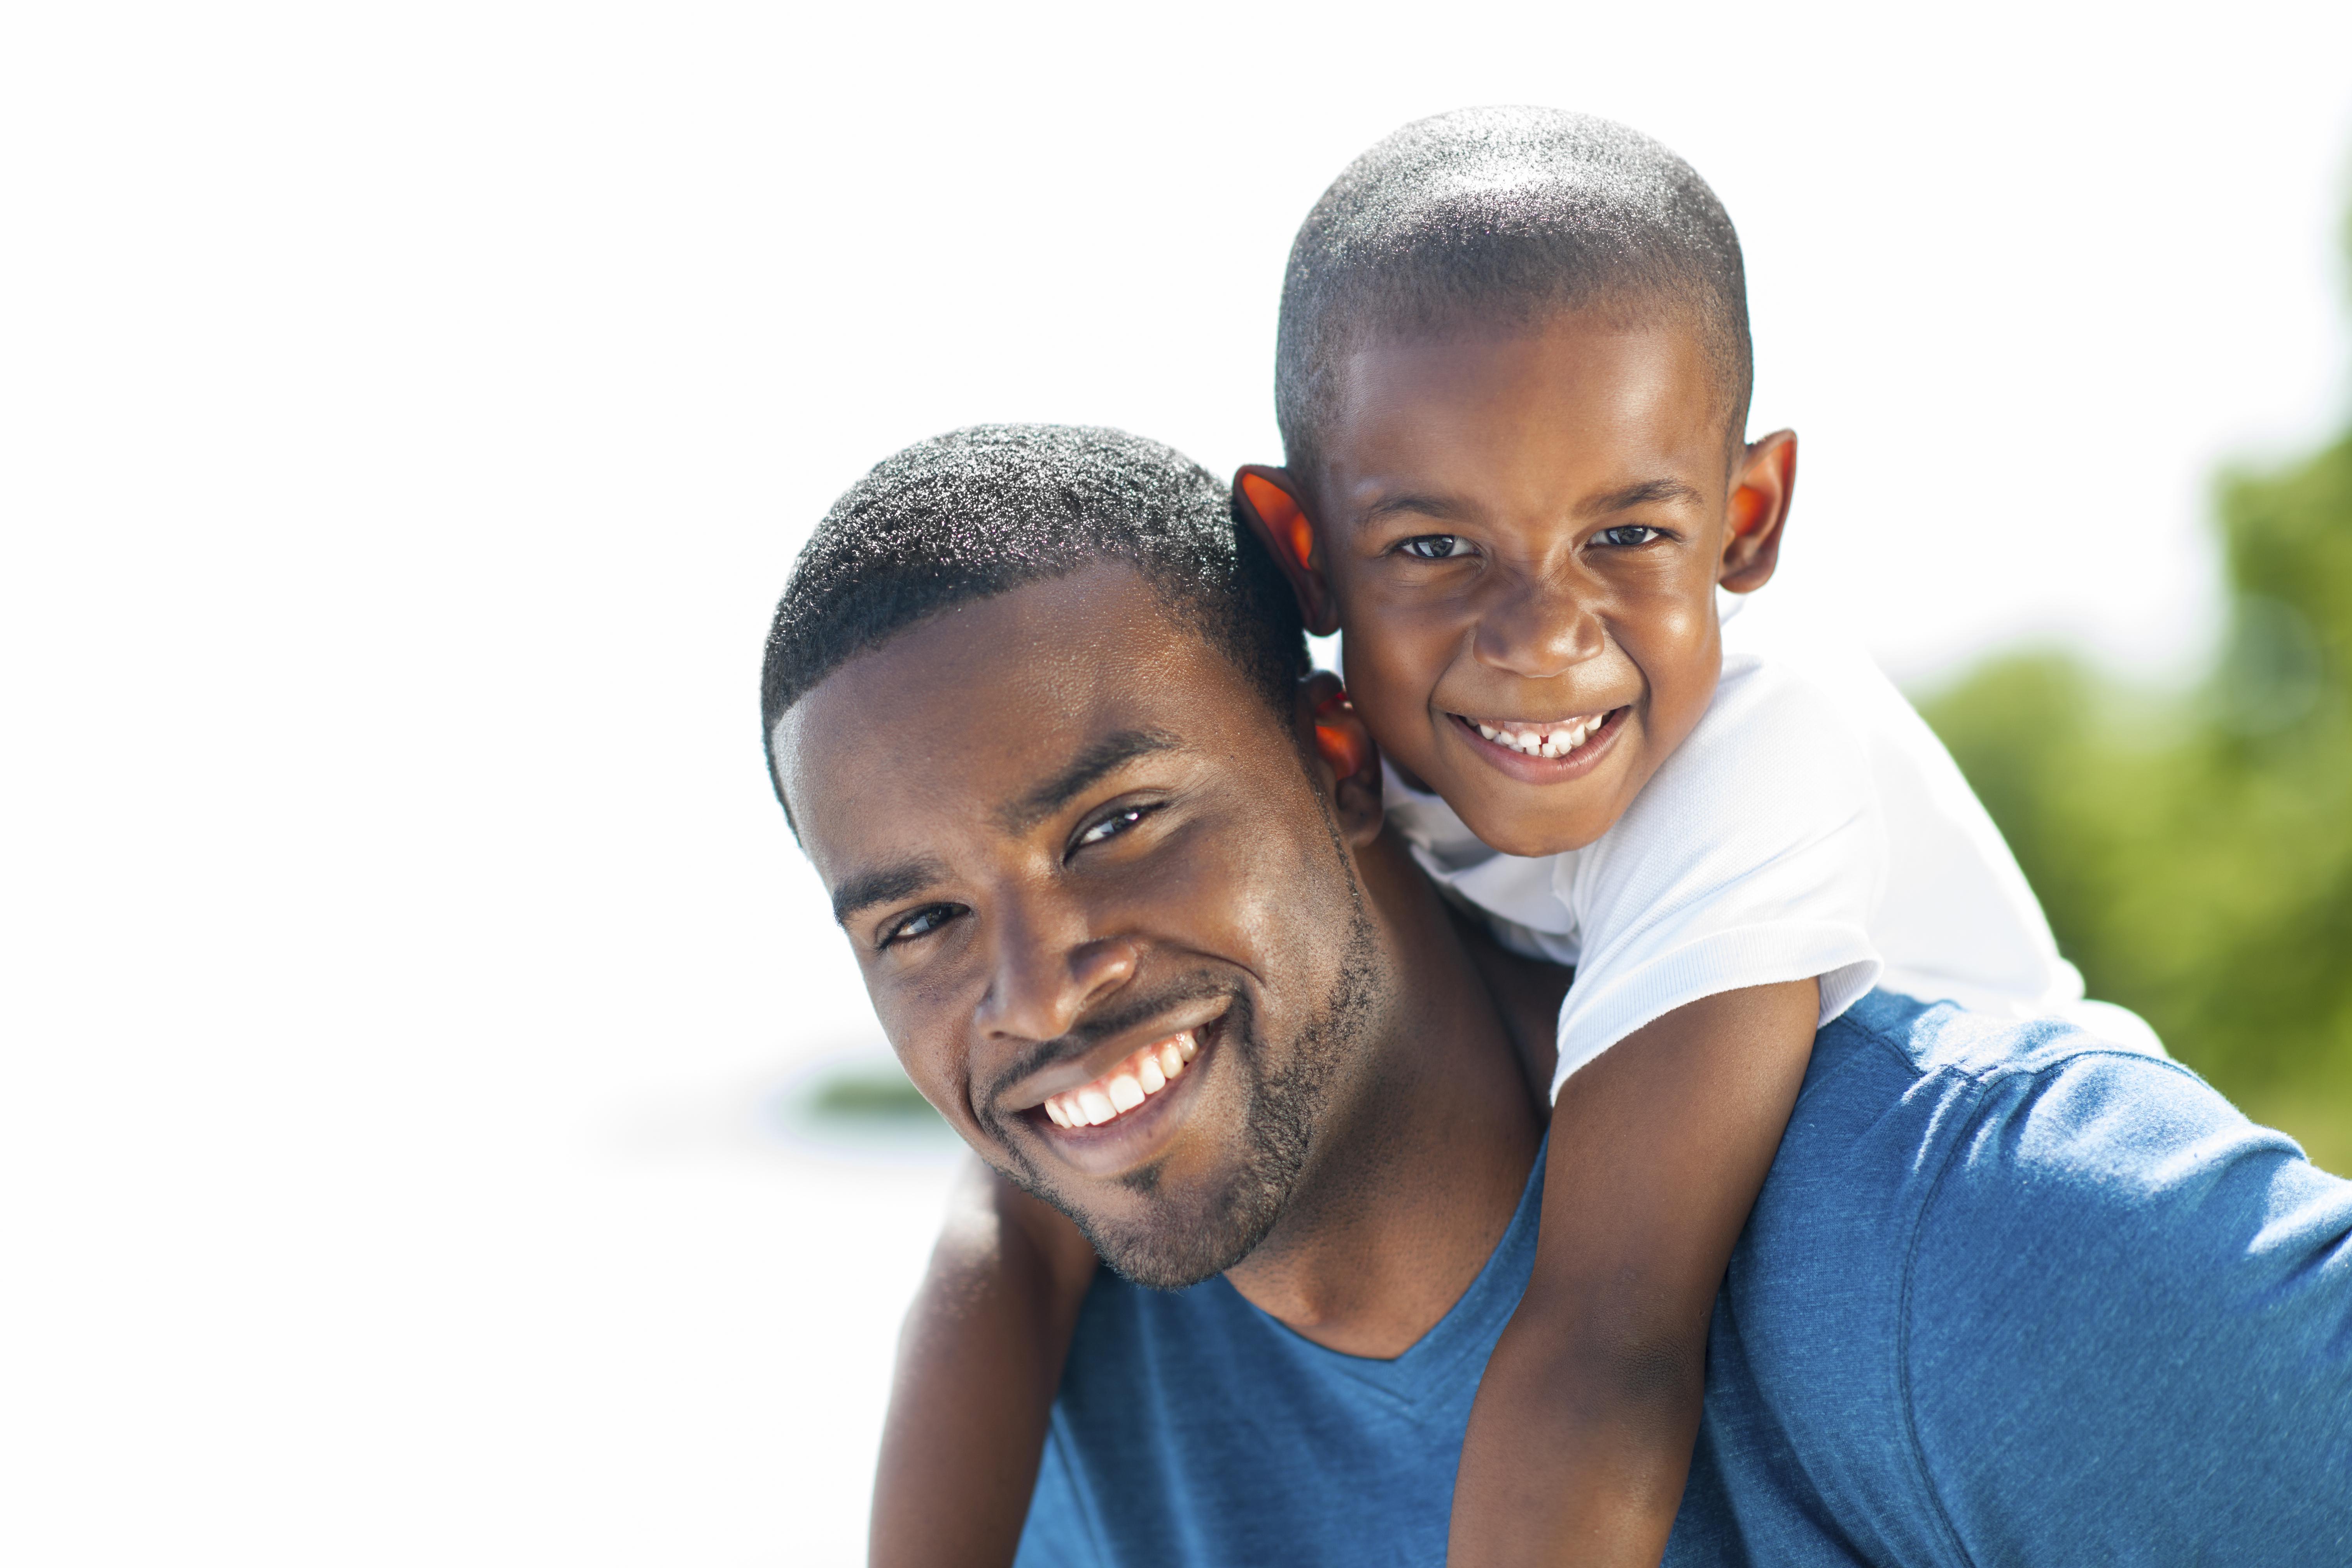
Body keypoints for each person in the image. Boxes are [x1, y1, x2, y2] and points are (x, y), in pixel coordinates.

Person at [855, 108, 2157, 1568]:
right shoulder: (1359, 760)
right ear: (1304, 553)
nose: (1540, 639)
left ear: (1747, 518)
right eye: (1434, 548)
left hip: (2027, 1305)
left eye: (1626, 537)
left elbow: (1606, 1343)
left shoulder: (1750, 766)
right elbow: (1007, 1236)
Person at [760, 422, 2352, 1564]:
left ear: (1339, 763)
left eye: (1117, 828)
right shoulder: (1076, 1431)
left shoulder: (1973, 1245)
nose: (1038, 995)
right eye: (922, 923)